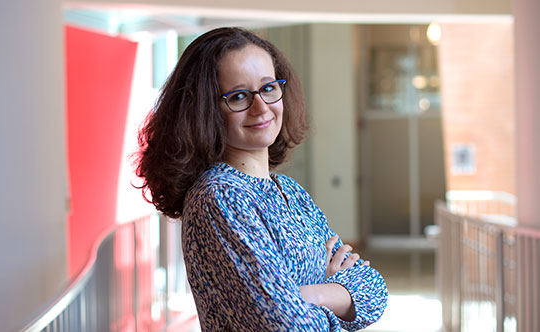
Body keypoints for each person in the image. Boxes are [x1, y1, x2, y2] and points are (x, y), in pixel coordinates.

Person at [136, 27, 387, 331]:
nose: (261, 107)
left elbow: (375, 292)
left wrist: (309, 294)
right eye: (239, 96)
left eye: (268, 88)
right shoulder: (219, 197)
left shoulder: (290, 191)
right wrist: (337, 293)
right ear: (206, 110)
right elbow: (290, 327)